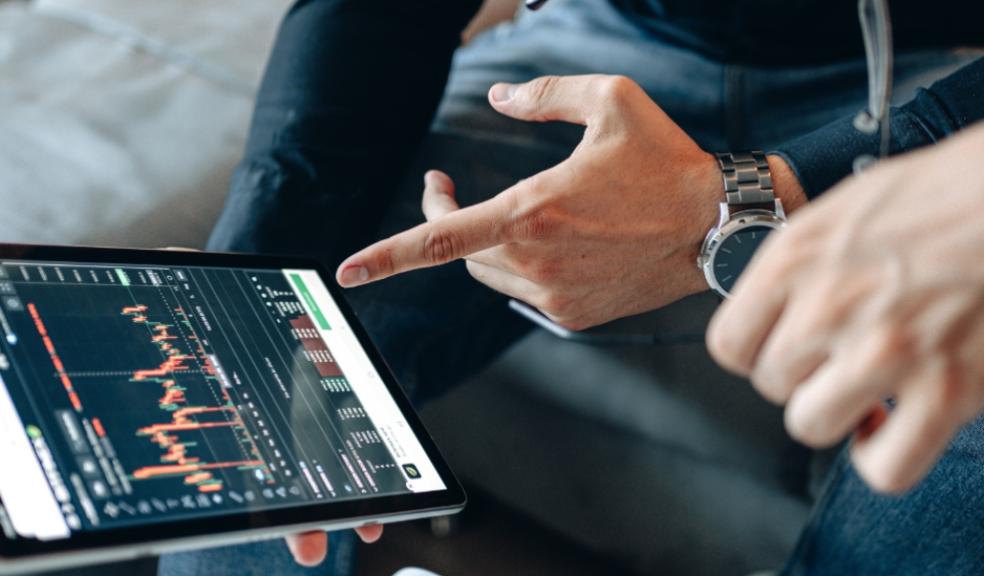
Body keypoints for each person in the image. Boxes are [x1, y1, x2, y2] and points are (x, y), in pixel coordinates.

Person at [158, 0, 984, 573]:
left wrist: (756, 194)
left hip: (935, 82)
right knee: (257, 377)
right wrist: (251, 276)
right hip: (605, 43)